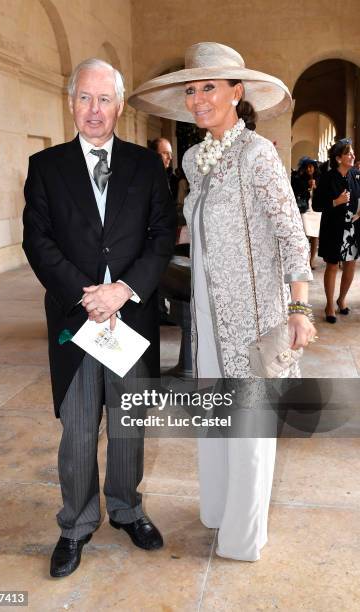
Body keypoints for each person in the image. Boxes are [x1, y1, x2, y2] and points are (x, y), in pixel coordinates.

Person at [129, 42, 316, 561]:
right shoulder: (194, 156)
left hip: (256, 316)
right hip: (207, 316)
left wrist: (299, 309)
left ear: (237, 91)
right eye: (191, 90)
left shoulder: (258, 154)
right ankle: (216, 509)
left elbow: (292, 236)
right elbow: (200, 230)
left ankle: (242, 537)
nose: (197, 99)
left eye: (209, 87)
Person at [23, 58, 175, 578]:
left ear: (119, 105)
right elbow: (37, 241)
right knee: (80, 428)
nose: (94, 109)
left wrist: (123, 290)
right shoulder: (45, 166)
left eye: (104, 98)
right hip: (77, 318)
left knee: (130, 425)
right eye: (84, 98)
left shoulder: (146, 166)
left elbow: (161, 235)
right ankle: (76, 524)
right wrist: (85, 295)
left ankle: (127, 509)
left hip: (131, 317)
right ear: (71, 104)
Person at [312, 138, 360, 323]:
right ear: (339, 158)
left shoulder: (355, 175)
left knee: (350, 264)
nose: (353, 155)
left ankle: (342, 299)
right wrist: (335, 202)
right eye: (349, 153)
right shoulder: (327, 178)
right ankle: (330, 305)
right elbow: (316, 205)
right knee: (332, 265)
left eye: (352, 152)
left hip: (352, 228)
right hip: (333, 228)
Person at [291, 157, 321, 268]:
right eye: (307, 167)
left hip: (316, 210)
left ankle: (311, 260)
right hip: (305, 209)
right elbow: (297, 192)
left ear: (314, 167)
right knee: (305, 234)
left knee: (315, 236)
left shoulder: (319, 178)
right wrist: (307, 186)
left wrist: (315, 186)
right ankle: (303, 258)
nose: (309, 169)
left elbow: (323, 193)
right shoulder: (300, 178)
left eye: (311, 166)